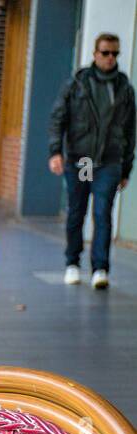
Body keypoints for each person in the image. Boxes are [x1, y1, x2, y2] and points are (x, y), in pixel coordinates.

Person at [48, 32, 135, 290]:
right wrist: (55, 151)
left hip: (108, 162)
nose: (110, 58)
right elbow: (57, 119)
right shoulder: (78, 84)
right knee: (78, 211)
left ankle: (100, 269)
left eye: (115, 54)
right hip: (83, 161)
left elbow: (130, 131)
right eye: (106, 53)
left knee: (103, 213)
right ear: (95, 54)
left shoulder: (123, 88)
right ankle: (72, 263)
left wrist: (126, 167)